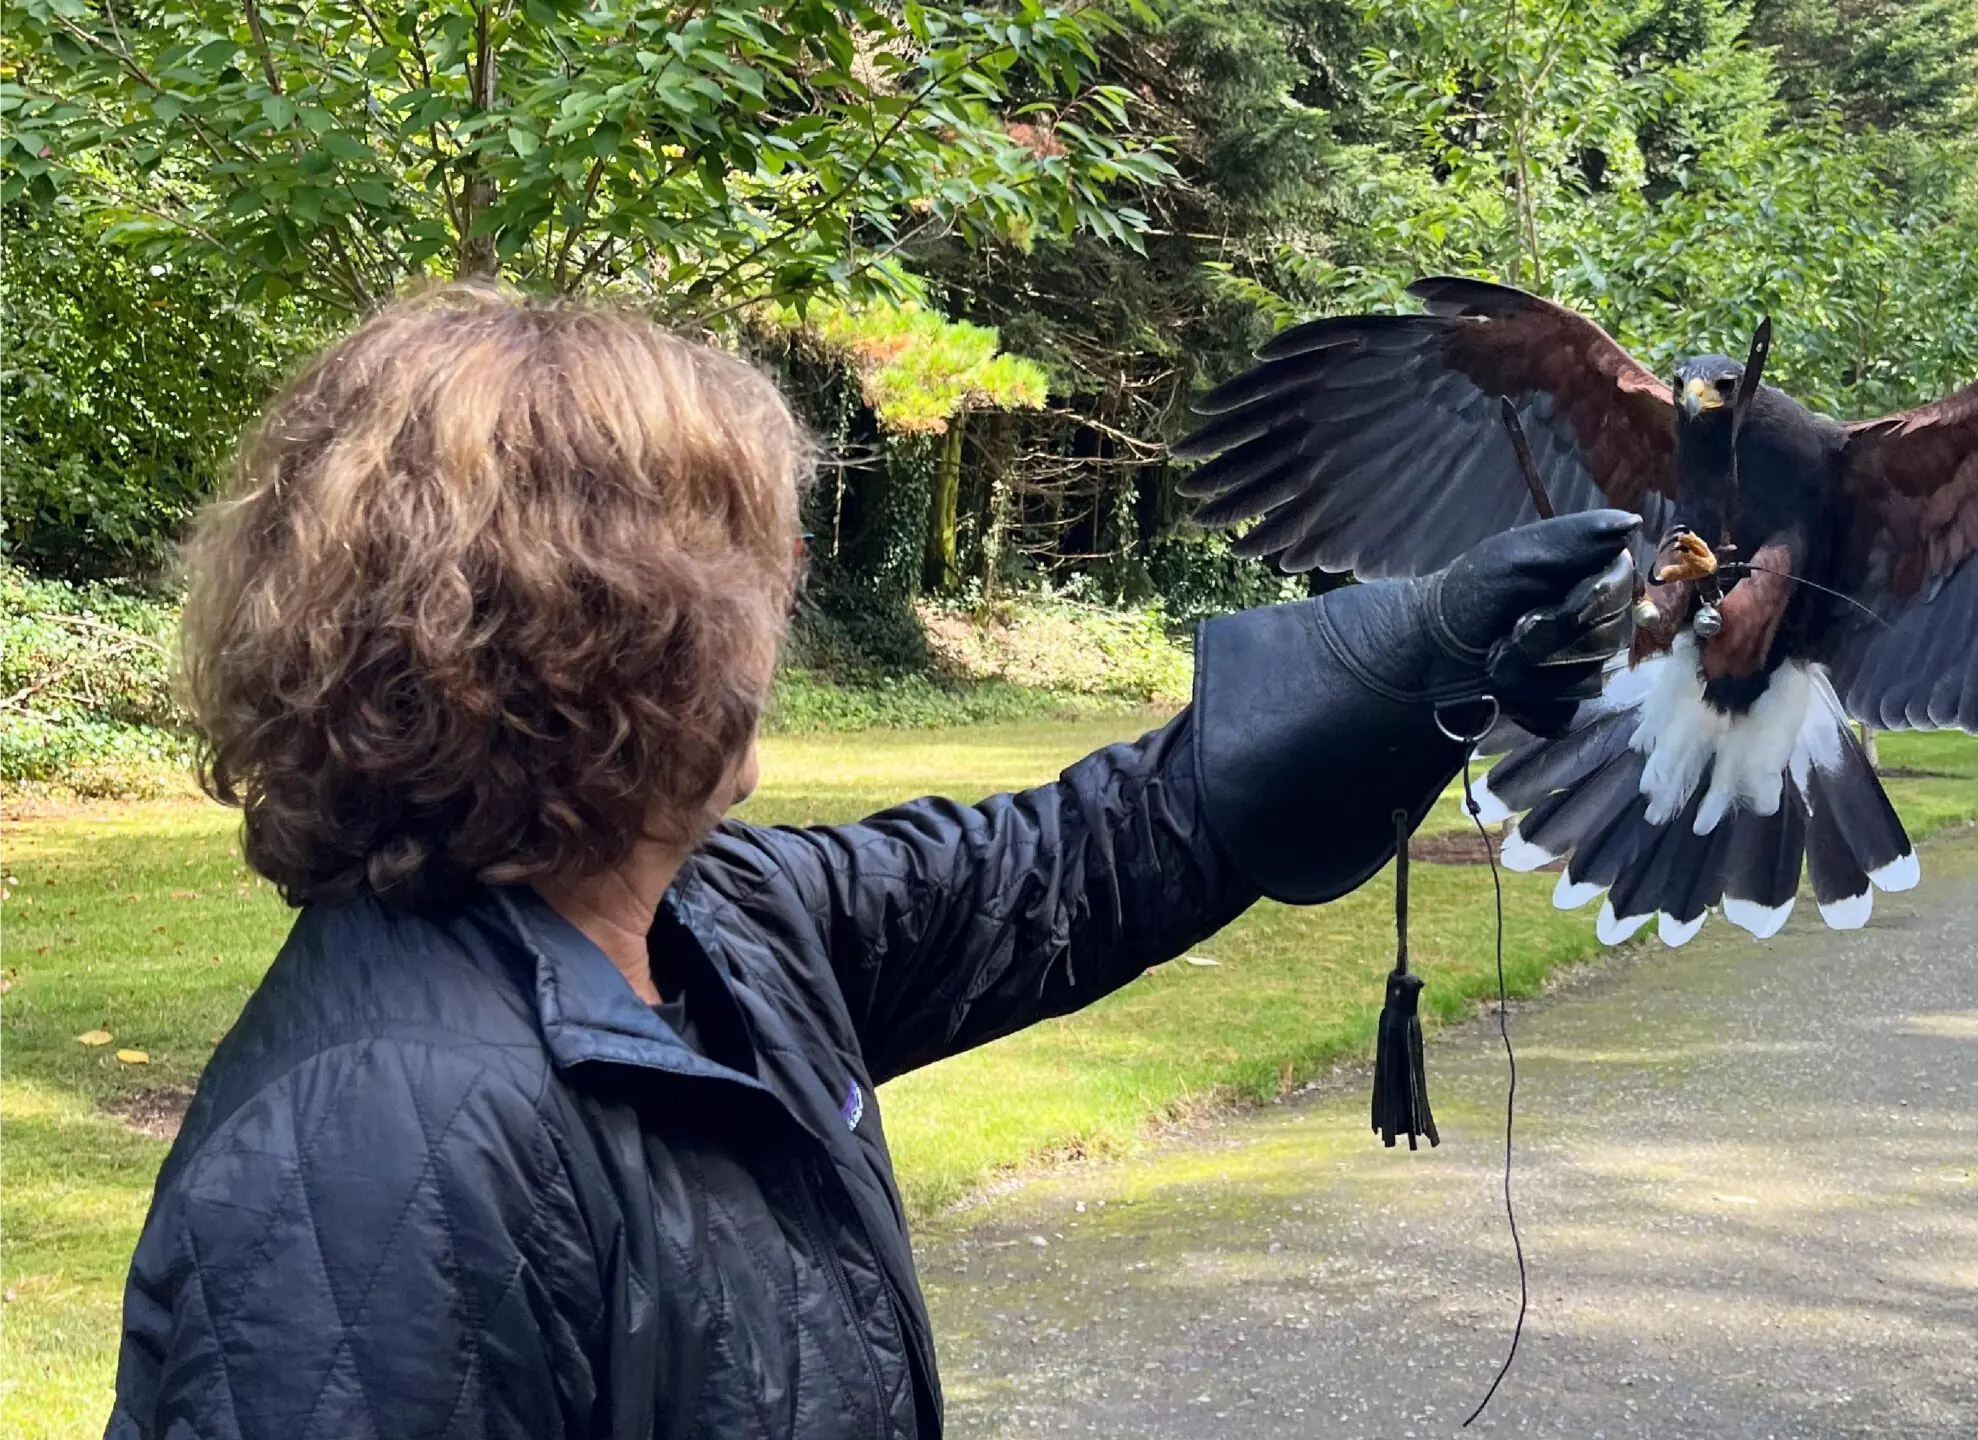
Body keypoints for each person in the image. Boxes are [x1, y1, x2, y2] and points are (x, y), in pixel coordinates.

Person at [109, 286, 1637, 1439]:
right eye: (760, 575)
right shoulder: (382, 1155)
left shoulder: (715, 928)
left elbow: (1082, 861)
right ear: (632, 631)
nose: (779, 620)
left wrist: (1432, 649)